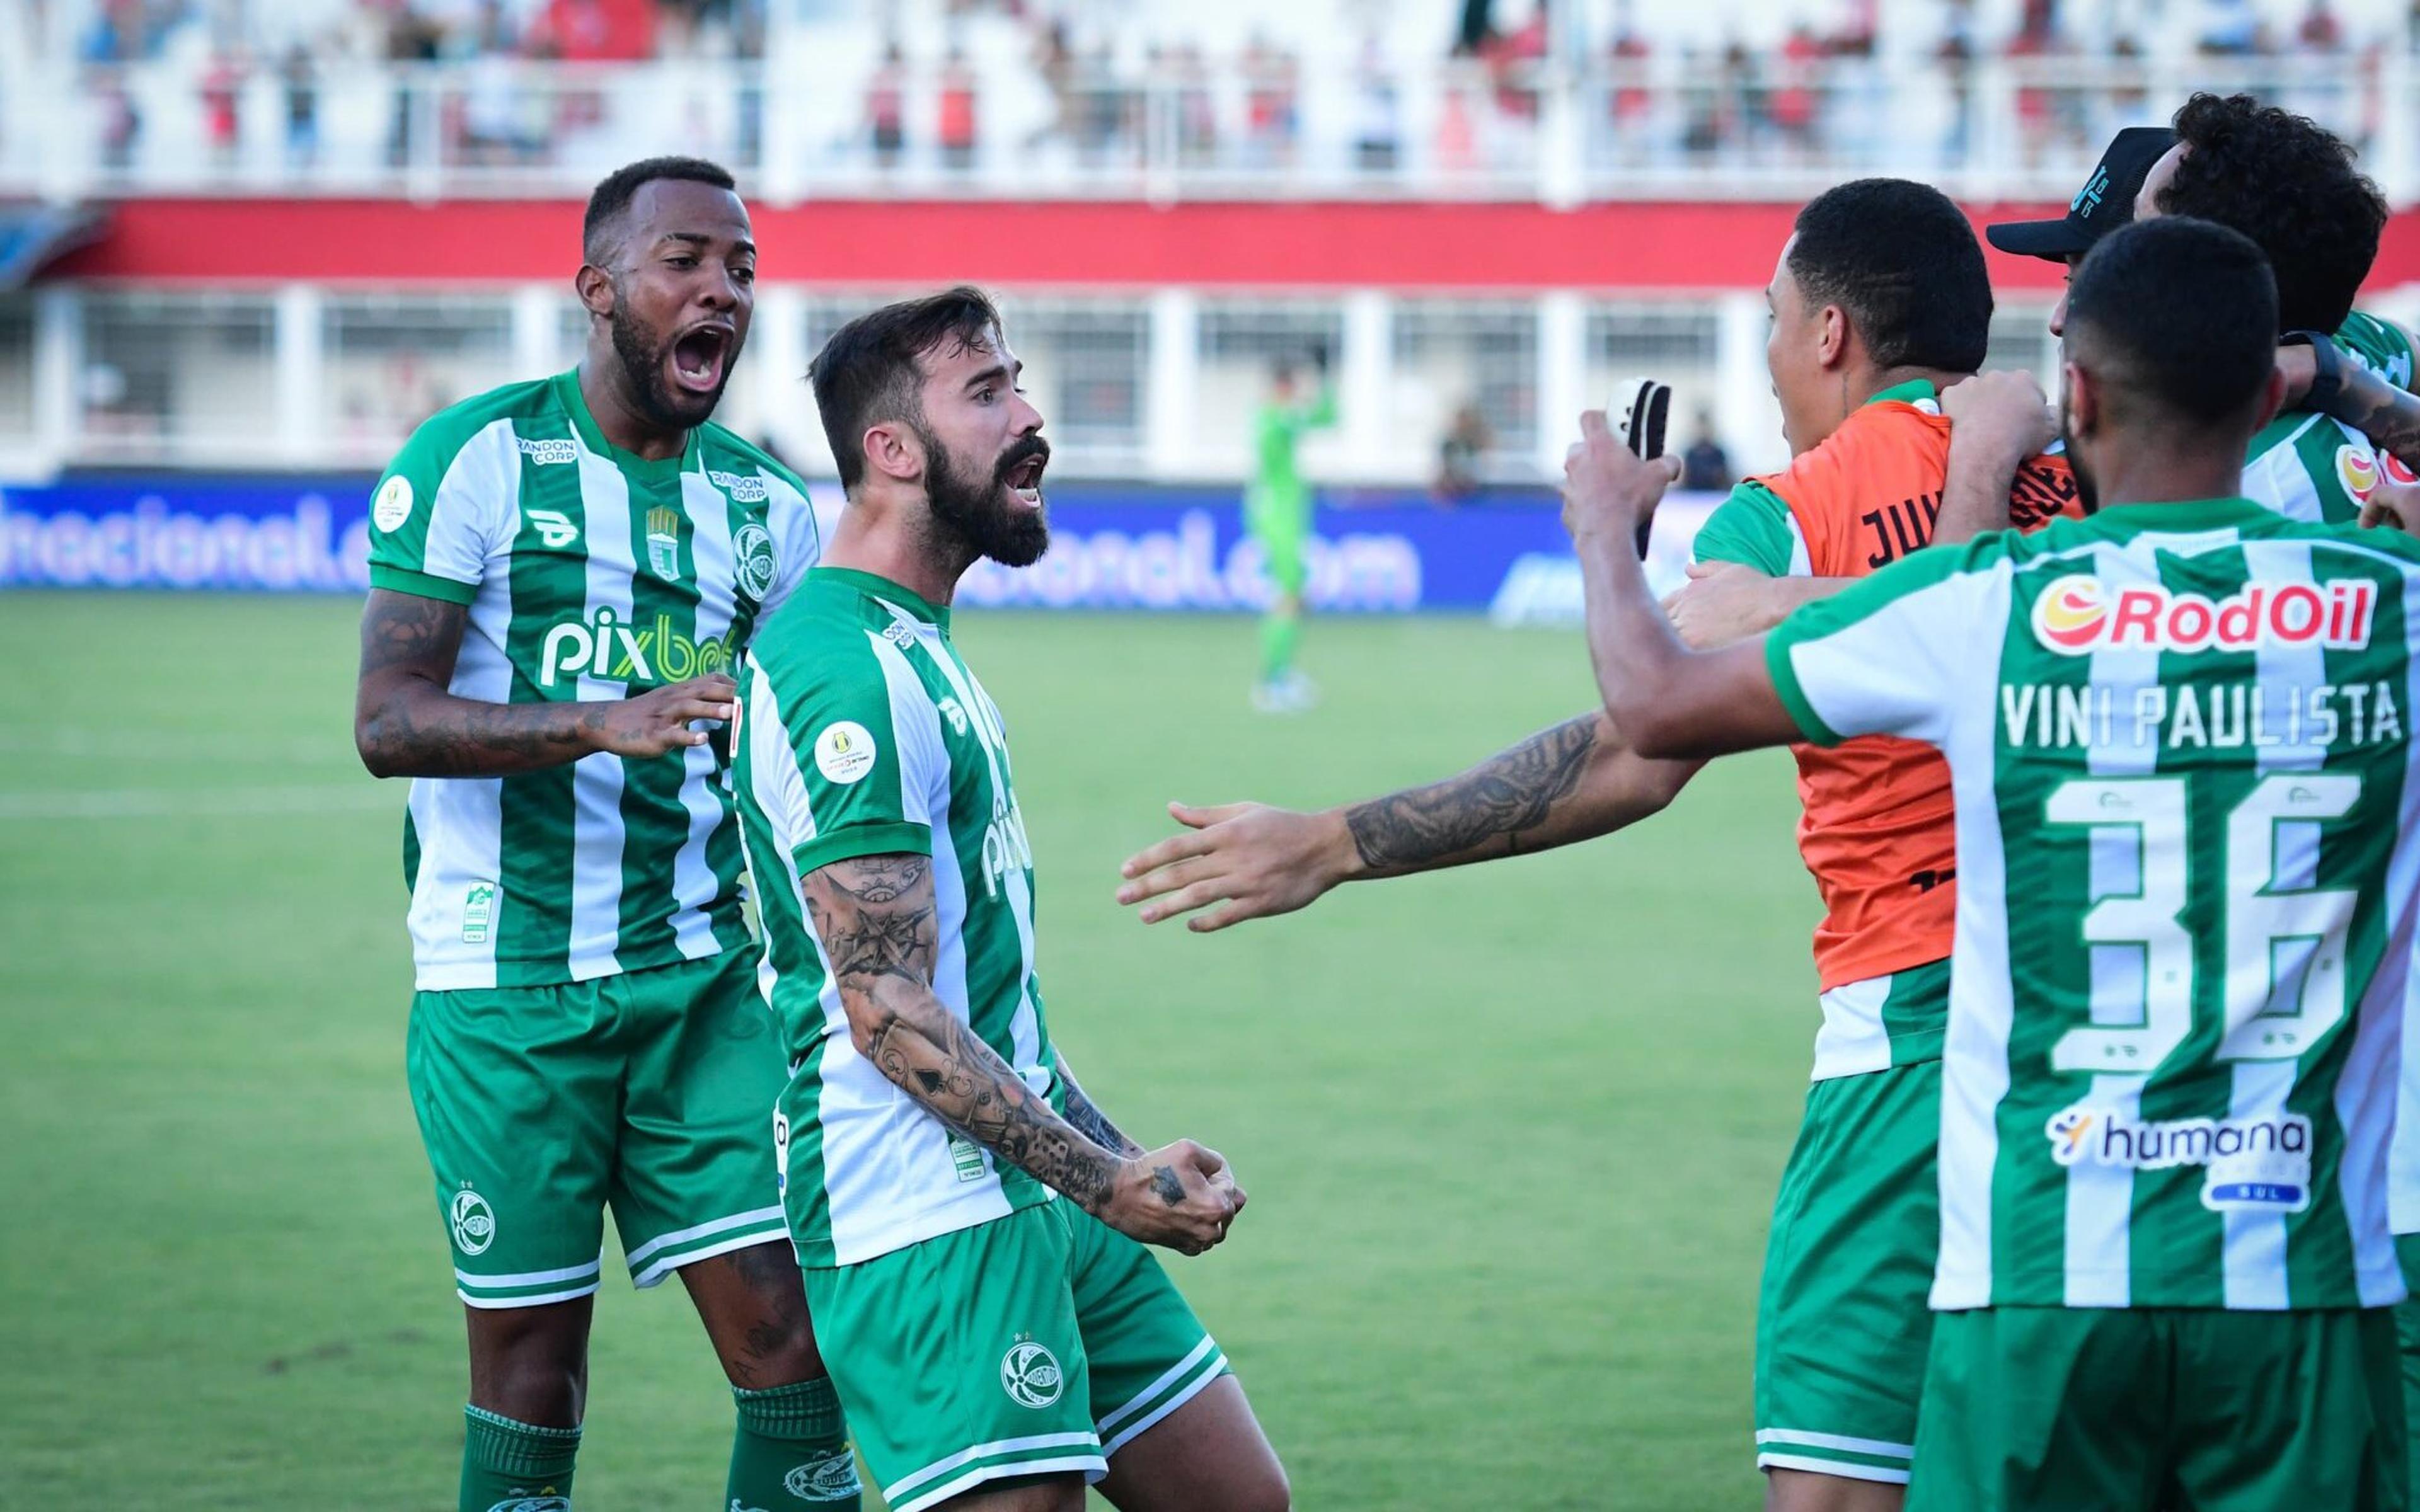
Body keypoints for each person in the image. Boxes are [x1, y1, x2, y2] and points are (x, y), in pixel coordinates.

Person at [1118, 178, 2085, 1512]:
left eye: (1771, 318)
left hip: (1912, 1036)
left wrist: (1335, 842)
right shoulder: (2089, 483)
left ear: (1828, 337)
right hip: (2109, 1038)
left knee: (1840, 1486)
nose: (1765, 351)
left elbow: (1639, 746)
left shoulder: (1789, 510)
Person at [1565, 210, 2416, 1511]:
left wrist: (1605, 533)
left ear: (2073, 393)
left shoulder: (1996, 603)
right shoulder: (2388, 606)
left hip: (2041, 1268)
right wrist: (2357, 393)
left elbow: (1653, 711)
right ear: (2267, 397)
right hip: (2298, 1274)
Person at [352, 156, 860, 1512]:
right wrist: (599, 721)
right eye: (687, 260)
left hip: (700, 987)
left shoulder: (766, 511)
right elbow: (388, 722)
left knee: (797, 1353)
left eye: (743, 268)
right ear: (599, 290)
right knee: (532, 1376)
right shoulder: (476, 460)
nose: (724, 290)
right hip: (506, 995)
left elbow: (792, 758)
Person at [733, 287, 1289, 1512]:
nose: (1032, 417)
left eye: (1018, 382)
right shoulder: (845, 671)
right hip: (920, 1215)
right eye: (987, 393)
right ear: (890, 450)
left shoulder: (921, 648)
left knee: (1236, 1498)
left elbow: (990, 1004)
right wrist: (1100, 1181)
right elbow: (887, 1011)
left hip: (1031, 1178)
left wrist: (1115, 1157)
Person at [1247, 355, 1335, 713]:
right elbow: (1324, 418)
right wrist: (1325, 379)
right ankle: (1271, 683)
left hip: (1284, 515)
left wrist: (1325, 379)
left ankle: (1280, 675)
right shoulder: (1273, 418)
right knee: (1289, 597)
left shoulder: (1277, 417)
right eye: (1291, 387)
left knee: (1294, 599)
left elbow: (1327, 417)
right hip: (1277, 519)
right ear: (1281, 388)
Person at [1679, 410, 1732, 491]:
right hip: (1692, 497)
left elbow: (1725, 480)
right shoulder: (1690, 454)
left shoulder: (1718, 454)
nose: (1703, 431)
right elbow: (1685, 480)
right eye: (1700, 427)